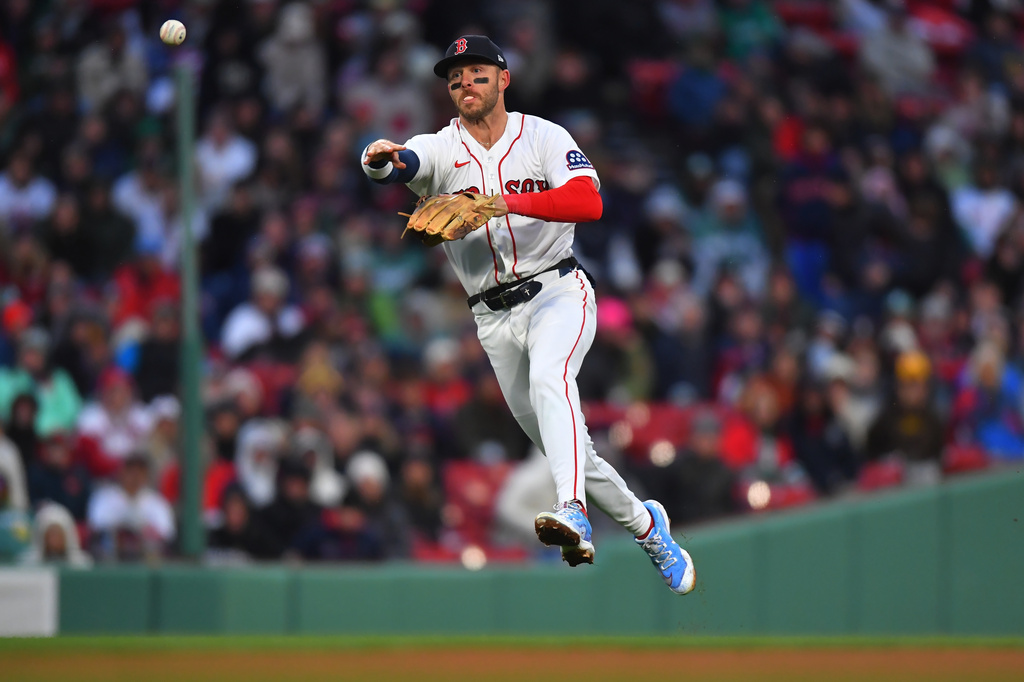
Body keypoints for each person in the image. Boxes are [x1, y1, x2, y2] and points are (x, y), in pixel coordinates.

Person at [361, 36, 694, 594]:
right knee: (569, 449)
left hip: (556, 292)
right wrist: (379, 162)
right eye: (455, 77)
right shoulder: (442, 148)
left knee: (550, 378)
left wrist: (505, 201)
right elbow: (404, 164)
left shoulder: (542, 136)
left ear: (503, 79)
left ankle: (573, 511)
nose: (465, 83)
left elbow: (589, 202)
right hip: (491, 319)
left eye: (477, 72)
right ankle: (646, 525)